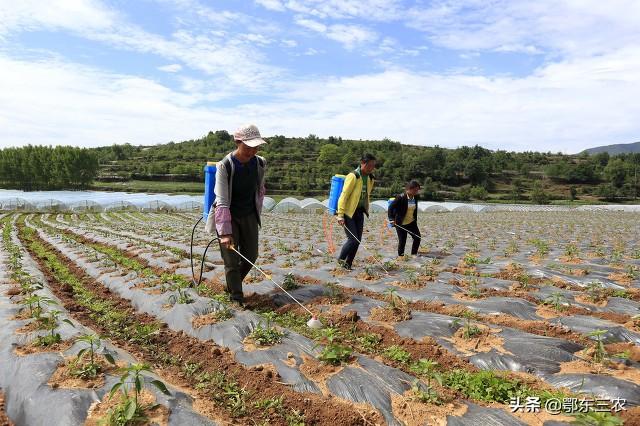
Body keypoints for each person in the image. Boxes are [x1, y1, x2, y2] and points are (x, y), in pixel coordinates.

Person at [204, 124, 267, 306]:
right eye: (248, 147)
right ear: (237, 142)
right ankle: (236, 298)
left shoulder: (260, 163)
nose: (252, 151)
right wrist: (224, 233)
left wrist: (257, 213)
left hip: (248, 214)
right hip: (227, 216)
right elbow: (222, 200)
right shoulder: (225, 166)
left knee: (251, 255)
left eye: (255, 147)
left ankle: (232, 285)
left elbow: (259, 190)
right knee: (231, 261)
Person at [336, 153, 376, 269]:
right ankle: (341, 260)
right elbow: (344, 195)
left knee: (358, 241)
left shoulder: (370, 178)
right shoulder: (353, 176)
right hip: (349, 212)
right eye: (370, 165)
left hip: (359, 212)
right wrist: (340, 215)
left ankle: (348, 264)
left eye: (373, 166)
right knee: (353, 239)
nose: (372, 168)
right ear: (363, 164)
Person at [388, 180, 422, 257]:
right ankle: (401, 258)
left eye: (417, 190)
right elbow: (390, 208)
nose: (416, 192)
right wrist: (391, 219)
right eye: (415, 190)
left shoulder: (415, 197)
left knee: (417, 238)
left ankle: (414, 255)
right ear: (409, 188)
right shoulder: (401, 197)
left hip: (411, 222)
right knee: (402, 241)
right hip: (400, 223)